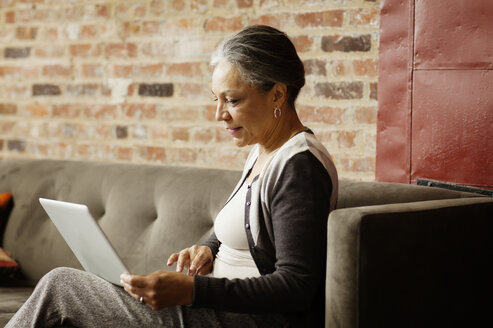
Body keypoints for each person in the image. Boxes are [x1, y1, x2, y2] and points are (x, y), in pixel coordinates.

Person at [6, 25, 338, 327]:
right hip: (213, 307)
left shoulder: (299, 167)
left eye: (232, 100)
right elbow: (247, 233)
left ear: (278, 95)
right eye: (217, 100)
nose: (220, 115)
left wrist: (194, 290)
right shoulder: (263, 149)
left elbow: (297, 287)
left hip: (246, 319)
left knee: (61, 286)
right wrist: (208, 248)